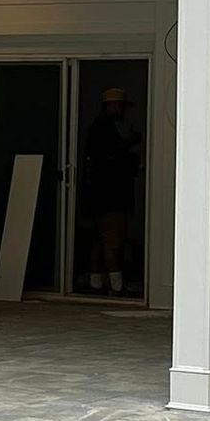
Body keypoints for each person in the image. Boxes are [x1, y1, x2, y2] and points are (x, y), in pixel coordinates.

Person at [81, 86, 142, 295]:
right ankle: (117, 286)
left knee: (98, 240)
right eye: (122, 106)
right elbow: (112, 158)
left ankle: (95, 282)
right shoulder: (106, 129)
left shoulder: (96, 127)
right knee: (112, 242)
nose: (123, 111)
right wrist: (130, 145)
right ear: (115, 106)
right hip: (111, 196)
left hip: (97, 196)